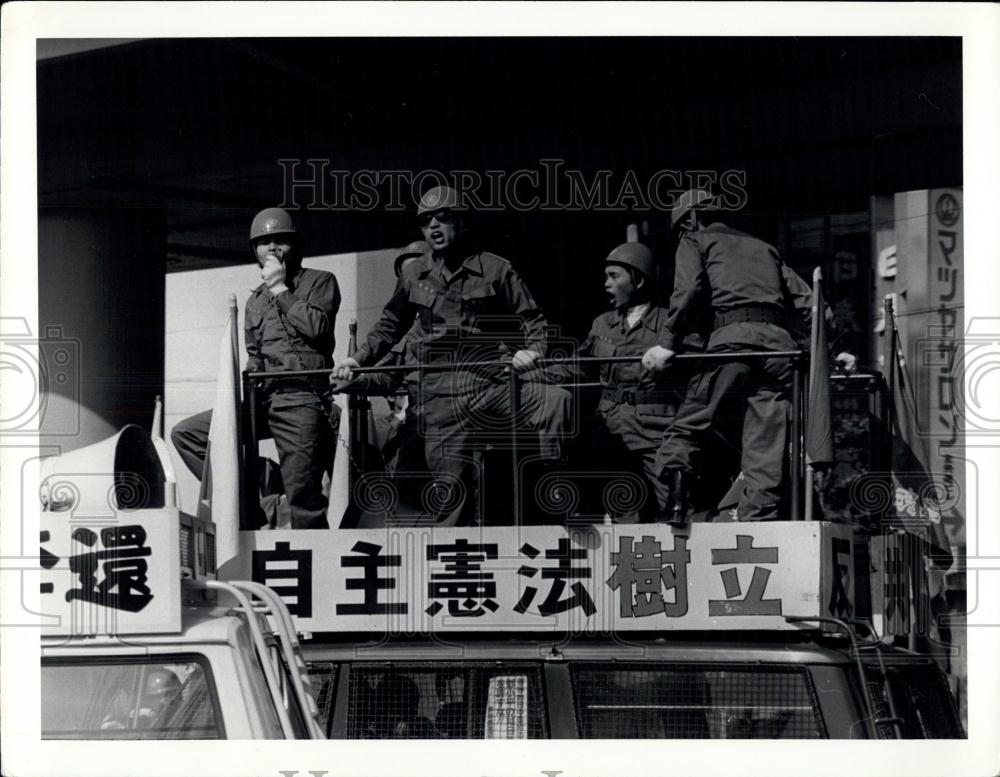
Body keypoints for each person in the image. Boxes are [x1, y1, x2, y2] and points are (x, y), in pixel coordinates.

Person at [332, 186, 571, 525]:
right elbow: (390, 324)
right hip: (440, 392)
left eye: (443, 219)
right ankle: (450, 560)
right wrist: (358, 358)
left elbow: (532, 319)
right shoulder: (414, 274)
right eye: (426, 221)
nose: (434, 227)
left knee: (554, 400)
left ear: (462, 222)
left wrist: (532, 351)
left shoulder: (495, 269)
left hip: (490, 381)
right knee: (452, 488)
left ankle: (553, 485)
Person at [642, 190, 813, 524]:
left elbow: (687, 289)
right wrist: (832, 349)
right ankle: (755, 526)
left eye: (679, 229)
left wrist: (667, 342)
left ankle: (676, 505)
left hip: (733, 343)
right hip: (780, 351)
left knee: (690, 422)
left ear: (689, 219)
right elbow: (813, 305)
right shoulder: (765, 248)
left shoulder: (696, 239)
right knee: (766, 445)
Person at [171, 207, 341, 529]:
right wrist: (251, 371)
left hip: (301, 400)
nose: (273, 248)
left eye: (281, 241)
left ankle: (311, 567)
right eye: (264, 243)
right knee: (188, 434)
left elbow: (318, 327)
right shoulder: (255, 301)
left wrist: (281, 290)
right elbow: (255, 354)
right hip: (263, 401)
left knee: (303, 496)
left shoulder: (320, 282)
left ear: (297, 246)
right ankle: (252, 502)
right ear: (255, 251)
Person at [548, 242, 686, 523]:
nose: (607, 284)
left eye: (614, 276)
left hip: (656, 430)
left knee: (672, 511)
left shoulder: (670, 323)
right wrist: (528, 371)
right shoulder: (602, 324)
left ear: (638, 279)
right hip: (611, 430)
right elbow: (576, 366)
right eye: (606, 277)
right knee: (623, 508)